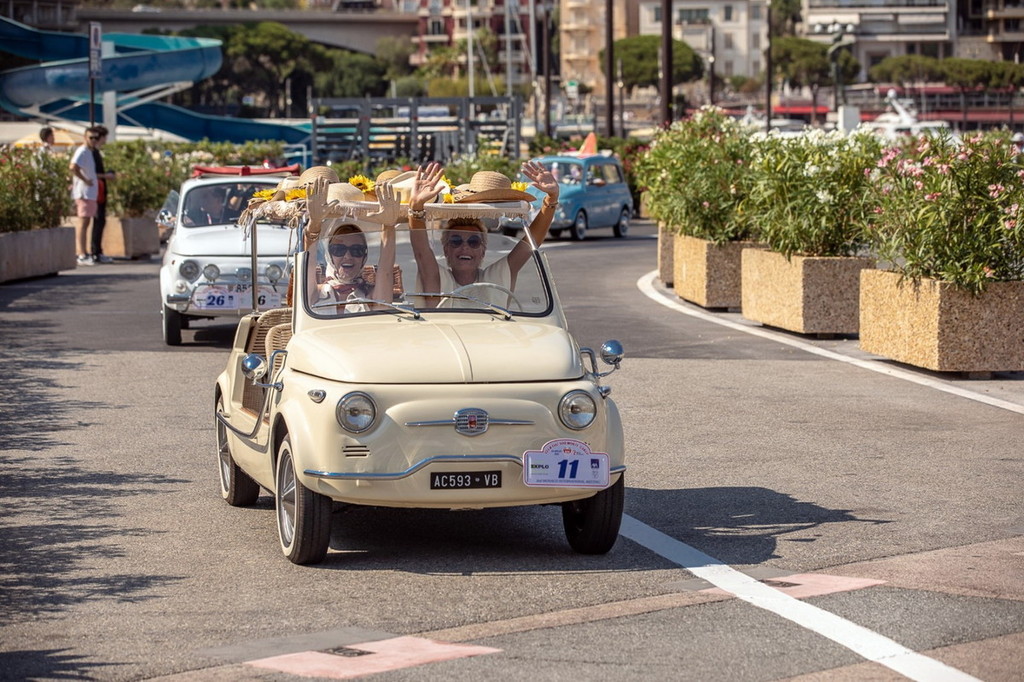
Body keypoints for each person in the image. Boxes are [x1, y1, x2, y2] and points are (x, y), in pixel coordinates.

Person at [407, 161, 559, 308]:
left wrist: (552, 199)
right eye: (456, 241)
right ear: (446, 249)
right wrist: (416, 207)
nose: (465, 247)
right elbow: (421, 251)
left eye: (473, 242)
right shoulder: (437, 278)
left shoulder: (495, 278)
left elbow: (530, 243)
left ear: (483, 250)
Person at [303, 177, 400, 314]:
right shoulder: (316, 294)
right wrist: (314, 224)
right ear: (329, 255)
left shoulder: (371, 298)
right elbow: (308, 265)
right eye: (339, 250)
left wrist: (389, 226)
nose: (348, 256)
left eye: (356, 250)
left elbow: (386, 270)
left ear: (364, 257)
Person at [69, 126, 107, 265]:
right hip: (84, 193)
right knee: (83, 223)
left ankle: (84, 253)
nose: (94, 140)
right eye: (91, 137)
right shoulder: (83, 151)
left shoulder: (90, 152)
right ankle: (81, 254)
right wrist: (85, 180)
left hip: (90, 193)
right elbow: (73, 167)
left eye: (96, 137)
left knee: (86, 223)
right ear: (85, 138)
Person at [89, 126, 115, 264]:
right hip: (96, 191)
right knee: (98, 221)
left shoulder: (96, 152)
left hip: (100, 190)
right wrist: (106, 176)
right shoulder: (92, 153)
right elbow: (91, 173)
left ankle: (98, 251)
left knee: (100, 221)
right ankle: (95, 251)